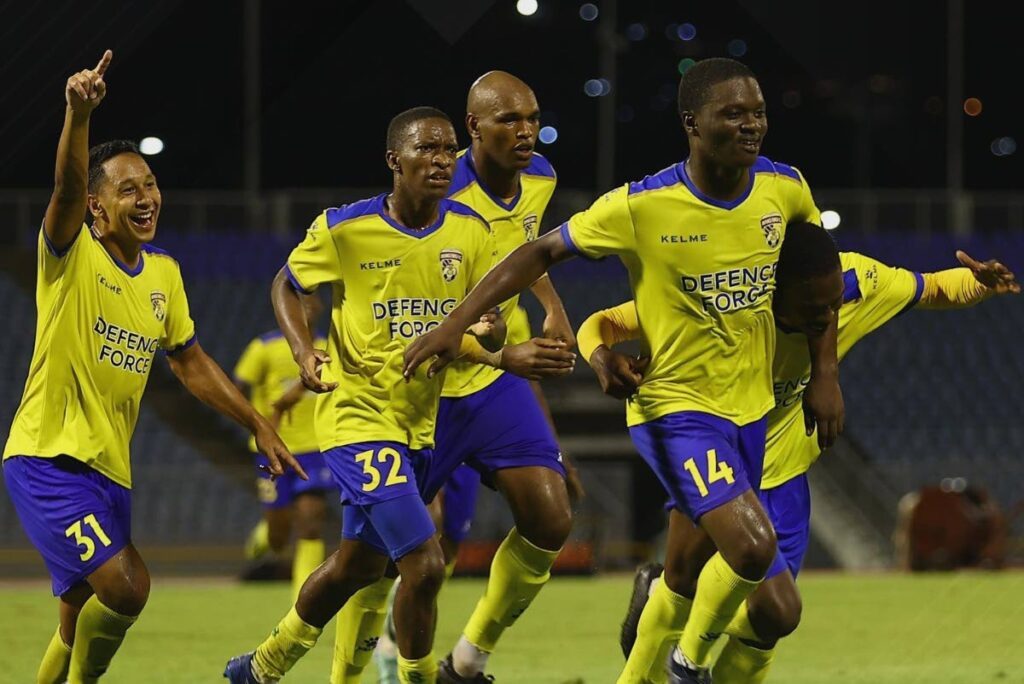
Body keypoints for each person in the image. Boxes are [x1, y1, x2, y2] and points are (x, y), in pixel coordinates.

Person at [403, 58, 844, 684]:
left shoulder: (785, 188)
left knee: (694, 580)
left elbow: (816, 278)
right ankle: (688, 667)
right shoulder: (643, 205)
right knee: (752, 547)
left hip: (751, 411)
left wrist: (824, 371)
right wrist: (455, 325)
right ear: (693, 122)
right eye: (734, 114)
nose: (752, 125)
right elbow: (536, 252)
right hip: (676, 411)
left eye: (759, 113)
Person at [583, 225, 1018, 683]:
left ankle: (663, 600)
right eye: (812, 308)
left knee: (773, 621)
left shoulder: (854, 284)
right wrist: (599, 357)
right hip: (718, 458)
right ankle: (672, 657)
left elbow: (932, 287)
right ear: (771, 290)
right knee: (758, 599)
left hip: (786, 473)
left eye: (832, 307)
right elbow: (604, 322)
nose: (826, 316)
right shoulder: (726, 296)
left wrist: (978, 284)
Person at [2, 50, 304, 684]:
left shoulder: (164, 274)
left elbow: (190, 362)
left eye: (151, 185)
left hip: (111, 469)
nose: (146, 198)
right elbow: (62, 188)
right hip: (47, 459)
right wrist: (77, 115)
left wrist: (256, 421)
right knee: (128, 587)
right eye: (127, 190)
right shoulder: (69, 255)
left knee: (76, 614)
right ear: (96, 208)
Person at [224, 106, 505, 684]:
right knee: (425, 564)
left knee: (358, 565)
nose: (440, 160)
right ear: (392, 161)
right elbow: (287, 281)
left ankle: (262, 667)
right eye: (425, 149)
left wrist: (483, 333)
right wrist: (304, 351)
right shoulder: (346, 229)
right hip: (357, 418)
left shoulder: (471, 231)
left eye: (448, 149)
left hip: (421, 424)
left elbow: (492, 320)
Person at [361, 71, 579, 684]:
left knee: (550, 517)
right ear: (473, 130)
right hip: (422, 386)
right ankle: (371, 660)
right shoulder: (437, 185)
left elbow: (520, 251)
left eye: (532, 116)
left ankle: (467, 660)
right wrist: (477, 334)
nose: (526, 130)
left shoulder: (540, 177)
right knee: (390, 555)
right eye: (509, 120)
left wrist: (552, 304)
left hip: (488, 383)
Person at [234, 293, 335, 599]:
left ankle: (302, 601)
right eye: (301, 302)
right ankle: (266, 535)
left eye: (313, 302)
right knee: (279, 537)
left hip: (315, 447)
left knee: (311, 519)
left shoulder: (329, 350)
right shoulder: (263, 347)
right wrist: (259, 422)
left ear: (318, 308)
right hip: (274, 447)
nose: (308, 307)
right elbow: (238, 385)